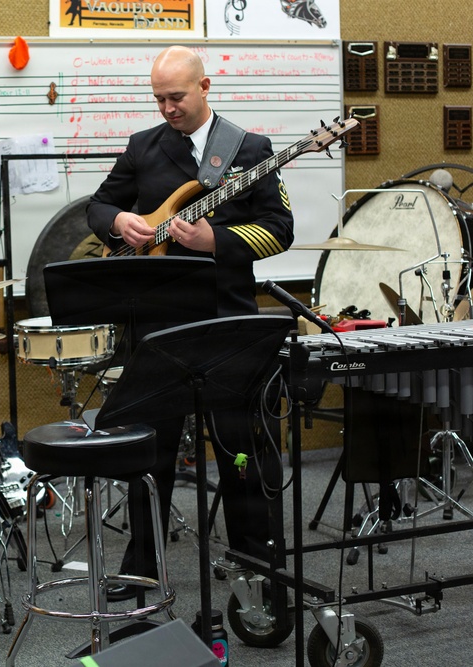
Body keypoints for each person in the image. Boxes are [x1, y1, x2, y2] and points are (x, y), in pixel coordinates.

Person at [86, 45, 294, 603]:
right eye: (158, 98)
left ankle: (257, 556)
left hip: (228, 324)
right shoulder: (142, 147)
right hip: (158, 326)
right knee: (147, 450)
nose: (167, 108)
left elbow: (280, 230)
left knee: (241, 447)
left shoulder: (250, 149)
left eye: (175, 97)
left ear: (206, 87)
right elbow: (98, 208)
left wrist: (216, 241)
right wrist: (120, 221)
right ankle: (142, 562)